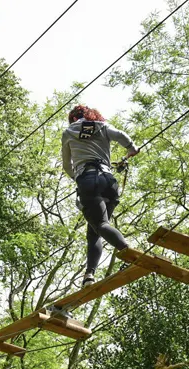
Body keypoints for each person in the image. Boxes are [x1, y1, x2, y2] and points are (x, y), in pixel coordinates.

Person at [60, 105, 139, 289]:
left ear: (73, 119)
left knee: (101, 225)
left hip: (88, 180)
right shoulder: (101, 126)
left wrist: (78, 179)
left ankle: (130, 254)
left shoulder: (69, 132)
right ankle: (89, 274)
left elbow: (66, 165)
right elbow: (120, 135)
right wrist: (132, 148)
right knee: (95, 230)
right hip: (109, 182)